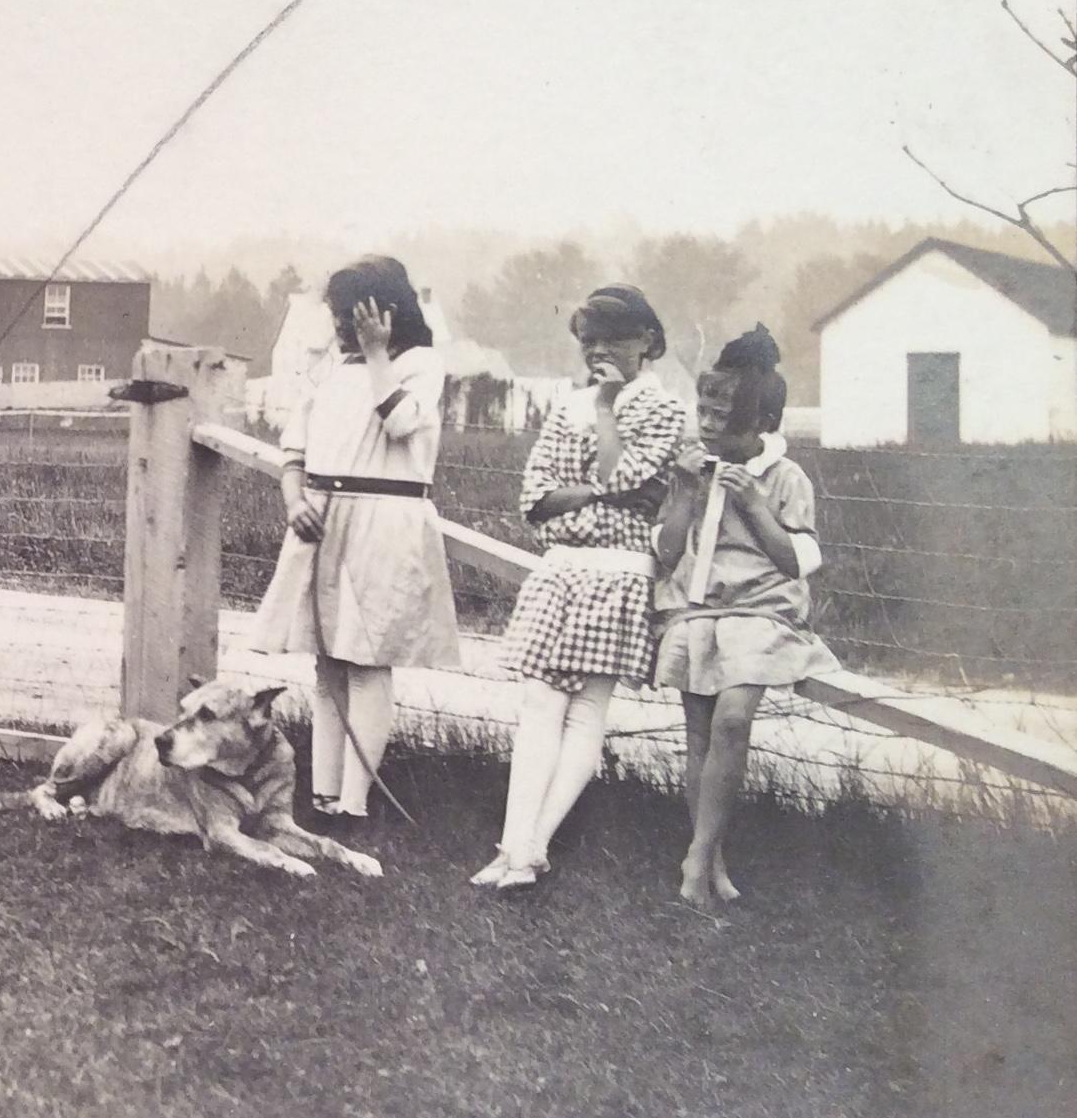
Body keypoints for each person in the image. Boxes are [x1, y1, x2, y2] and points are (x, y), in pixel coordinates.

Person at [471, 284, 687, 892]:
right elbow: (534, 499)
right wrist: (602, 494)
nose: (599, 353)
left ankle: (526, 849)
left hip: (618, 573)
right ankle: (518, 848)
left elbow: (628, 477)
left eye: (614, 339)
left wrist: (608, 418)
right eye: (589, 342)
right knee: (540, 702)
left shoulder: (665, 410)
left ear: (647, 340)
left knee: (586, 708)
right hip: (562, 569)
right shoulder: (566, 405)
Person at [249, 257, 461, 836]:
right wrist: (295, 502)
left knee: (367, 659)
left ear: (387, 310)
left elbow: (399, 425)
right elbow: (293, 454)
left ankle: (356, 802)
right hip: (323, 521)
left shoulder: (420, 365)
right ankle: (322, 795)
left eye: (353, 314)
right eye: (338, 315)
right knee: (328, 661)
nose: (342, 325)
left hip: (385, 521)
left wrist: (375, 353)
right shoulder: (328, 374)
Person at [653, 325, 838, 906]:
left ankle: (695, 858)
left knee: (733, 720)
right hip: (698, 608)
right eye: (702, 411)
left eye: (721, 417)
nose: (706, 426)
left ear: (759, 425)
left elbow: (793, 563)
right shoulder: (692, 467)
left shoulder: (785, 478)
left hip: (762, 611)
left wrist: (753, 504)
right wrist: (684, 492)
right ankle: (712, 860)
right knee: (699, 734)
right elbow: (665, 554)